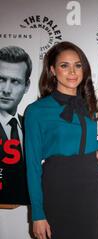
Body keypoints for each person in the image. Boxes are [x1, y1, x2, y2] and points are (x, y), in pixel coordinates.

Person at [25, 41, 98, 239]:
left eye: (78, 65)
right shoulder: (37, 111)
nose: (72, 72)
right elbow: (32, 166)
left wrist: (97, 152)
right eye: (65, 65)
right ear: (52, 70)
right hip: (57, 191)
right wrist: (37, 214)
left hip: (90, 190)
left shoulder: (91, 105)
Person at [0, 46, 32, 205]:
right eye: (1, 79)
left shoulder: (31, 127)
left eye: (15, 81)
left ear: (26, 86)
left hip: (25, 215)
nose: (6, 90)